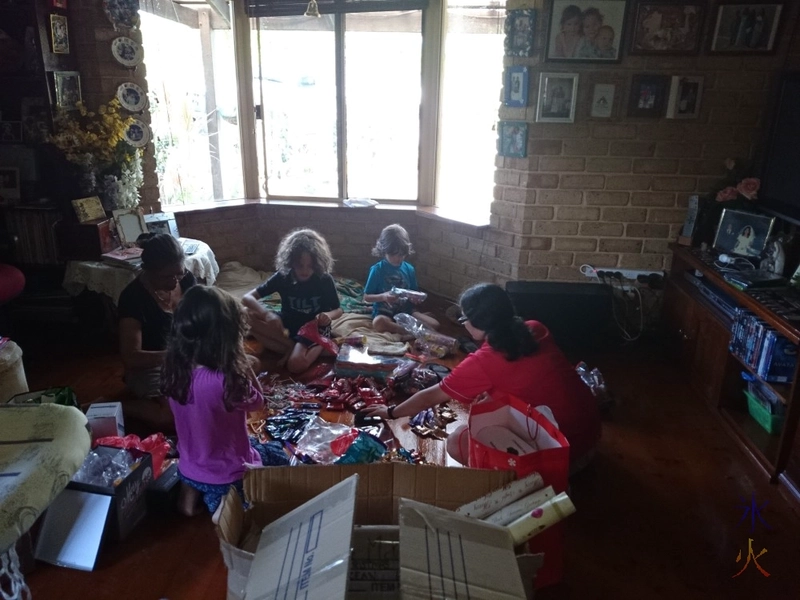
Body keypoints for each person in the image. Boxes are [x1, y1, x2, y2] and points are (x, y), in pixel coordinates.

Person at [362, 283, 601, 470]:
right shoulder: (534, 327)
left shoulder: (484, 361)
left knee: (457, 441)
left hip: (564, 459)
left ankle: (526, 476)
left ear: (478, 322)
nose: (463, 324)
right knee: (489, 400)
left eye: (464, 319)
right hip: (590, 436)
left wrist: (390, 412)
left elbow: (430, 397)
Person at [162, 285, 289, 517]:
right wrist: (242, 363)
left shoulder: (174, 368)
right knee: (278, 456)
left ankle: (190, 496)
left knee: (231, 451)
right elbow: (258, 402)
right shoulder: (225, 379)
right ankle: (219, 503)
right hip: (227, 473)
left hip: (189, 465)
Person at [118, 233, 196, 431]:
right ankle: (116, 405)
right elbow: (131, 358)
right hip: (150, 365)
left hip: (187, 357)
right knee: (169, 415)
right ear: (148, 271)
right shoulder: (133, 298)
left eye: (179, 274)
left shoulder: (187, 281)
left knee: (244, 369)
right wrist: (175, 355)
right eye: (166, 276)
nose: (174, 281)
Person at [242, 228, 342, 374]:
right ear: (291, 262)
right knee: (244, 314)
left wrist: (328, 316)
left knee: (295, 365)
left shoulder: (324, 279)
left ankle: (318, 344)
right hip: (288, 323)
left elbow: (338, 310)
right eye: (300, 265)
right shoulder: (283, 277)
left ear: (317, 263)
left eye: (310, 266)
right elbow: (247, 298)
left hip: (313, 327)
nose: (305, 271)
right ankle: (291, 346)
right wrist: (266, 314)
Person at [363, 224, 439, 336]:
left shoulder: (409, 269)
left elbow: (413, 292)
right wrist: (383, 296)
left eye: (401, 255)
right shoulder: (377, 270)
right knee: (378, 323)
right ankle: (407, 330)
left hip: (406, 311)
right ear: (384, 250)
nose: (397, 258)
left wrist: (415, 299)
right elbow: (367, 297)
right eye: (393, 255)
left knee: (435, 324)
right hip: (385, 312)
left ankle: (410, 328)